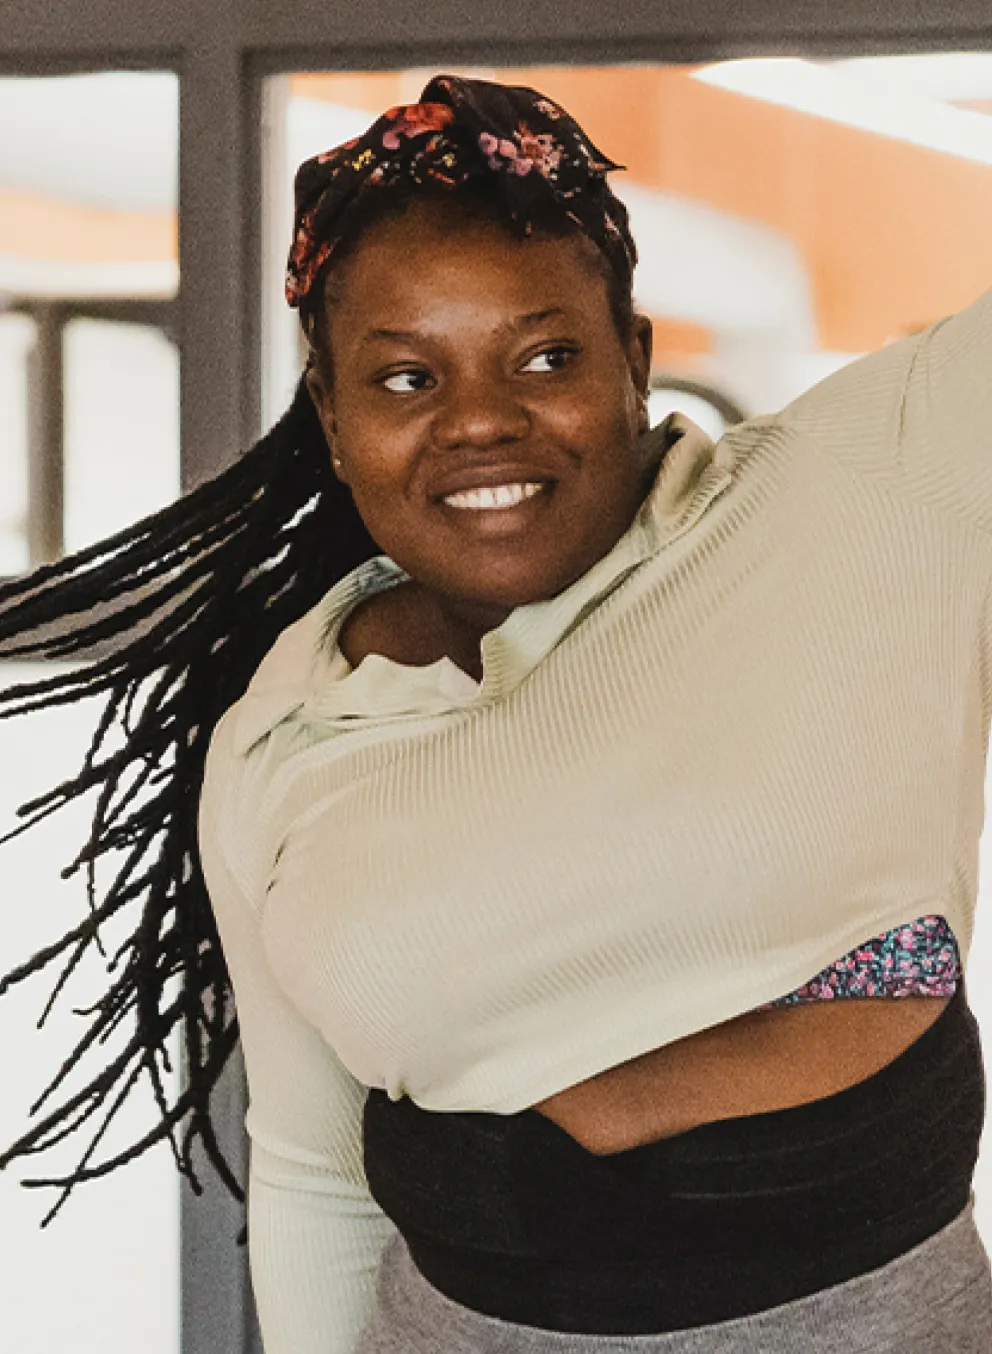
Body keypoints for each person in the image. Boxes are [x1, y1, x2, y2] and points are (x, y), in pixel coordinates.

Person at [1, 72, 991, 1352]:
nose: (479, 420)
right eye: (405, 378)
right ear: (333, 417)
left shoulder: (863, 489)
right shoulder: (280, 741)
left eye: (545, 356)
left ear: (632, 359)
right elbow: (312, 1176)